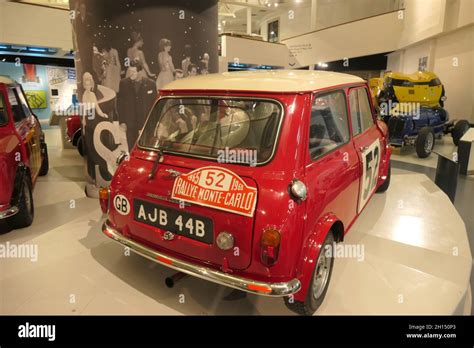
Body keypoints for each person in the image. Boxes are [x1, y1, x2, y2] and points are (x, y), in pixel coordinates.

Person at [117, 61, 157, 149]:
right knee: (131, 150)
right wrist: (122, 121)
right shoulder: (123, 84)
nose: (131, 74)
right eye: (130, 71)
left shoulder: (151, 84)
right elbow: (120, 104)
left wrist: (153, 123)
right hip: (130, 124)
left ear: (140, 71)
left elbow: (155, 105)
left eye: (133, 72)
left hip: (146, 124)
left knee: (146, 149)